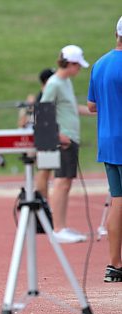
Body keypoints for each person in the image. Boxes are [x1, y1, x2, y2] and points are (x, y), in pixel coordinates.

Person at [40, 45, 93, 243]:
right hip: (63, 140)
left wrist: (97, 110)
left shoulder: (65, 83)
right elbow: (42, 112)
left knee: (66, 183)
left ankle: (61, 226)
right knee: (61, 182)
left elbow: (71, 108)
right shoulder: (54, 83)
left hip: (70, 138)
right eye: (78, 66)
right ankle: (58, 228)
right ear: (70, 64)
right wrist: (58, 135)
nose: (79, 69)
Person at [87, 16, 122, 282]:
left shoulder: (99, 64)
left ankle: (114, 264)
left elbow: (92, 105)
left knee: (117, 199)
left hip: (108, 139)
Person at [33, 68, 56, 201]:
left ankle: (43, 198)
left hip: (45, 134)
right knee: (44, 170)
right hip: (46, 134)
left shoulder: (43, 95)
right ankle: (43, 199)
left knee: (45, 170)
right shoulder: (44, 95)